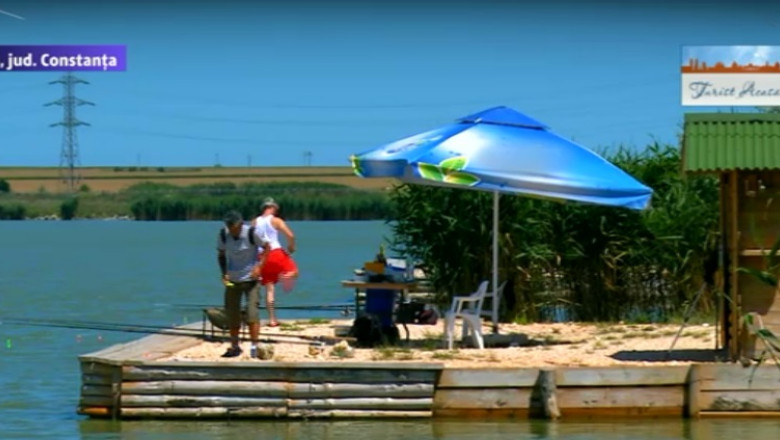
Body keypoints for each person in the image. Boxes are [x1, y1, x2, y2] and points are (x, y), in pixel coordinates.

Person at [217, 210, 270, 358]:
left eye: (233, 226)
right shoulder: (223, 235)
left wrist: (259, 266)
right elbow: (221, 255)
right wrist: (224, 273)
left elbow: (267, 247)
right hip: (233, 280)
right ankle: (234, 346)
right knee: (232, 313)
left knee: (252, 313)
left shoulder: (252, 233)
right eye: (228, 226)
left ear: (240, 224)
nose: (231, 229)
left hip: (251, 280)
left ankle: (254, 345)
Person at [251, 197, 299, 327]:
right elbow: (290, 235)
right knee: (295, 272)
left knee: (269, 288)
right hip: (275, 252)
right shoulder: (276, 220)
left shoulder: (254, 222)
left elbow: (251, 240)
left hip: (262, 256)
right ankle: (285, 276)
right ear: (273, 208)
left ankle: (272, 319)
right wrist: (291, 247)